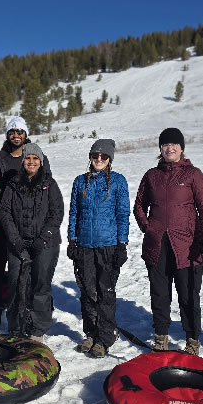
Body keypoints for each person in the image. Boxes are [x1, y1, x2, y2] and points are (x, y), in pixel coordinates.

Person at [133, 128, 203, 354]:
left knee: (188, 295)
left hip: (187, 246)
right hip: (157, 245)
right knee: (159, 294)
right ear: (160, 149)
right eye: (165, 145)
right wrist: (148, 228)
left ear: (181, 148)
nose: (170, 148)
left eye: (174, 145)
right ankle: (161, 337)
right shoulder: (152, 175)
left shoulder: (193, 174)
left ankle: (192, 340)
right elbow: (139, 206)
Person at [66, 139, 131, 358]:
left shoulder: (118, 181)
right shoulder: (80, 181)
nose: (99, 159)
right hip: (84, 245)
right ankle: (91, 334)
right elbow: (74, 213)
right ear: (90, 157)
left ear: (110, 159)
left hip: (108, 245)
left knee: (105, 293)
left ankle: (104, 338)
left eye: (104, 156)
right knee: (87, 292)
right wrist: (72, 240)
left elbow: (123, 214)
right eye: (95, 155)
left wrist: (122, 243)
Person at [0, 116, 51, 328]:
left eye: (20, 131)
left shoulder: (36, 158)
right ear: (7, 134)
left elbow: (46, 191)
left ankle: (27, 314)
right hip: (0, 224)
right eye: (12, 131)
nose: (16, 135)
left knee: (28, 270)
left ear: (25, 134)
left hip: (27, 227)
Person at [0, 142, 63, 339]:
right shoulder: (13, 184)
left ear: (41, 161)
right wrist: (16, 241)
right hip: (18, 243)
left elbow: (56, 213)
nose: (31, 161)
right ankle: (16, 327)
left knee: (40, 286)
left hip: (45, 244)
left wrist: (43, 239)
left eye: (35, 158)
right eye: (28, 158)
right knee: (16, 283)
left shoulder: (49, 184)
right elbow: (5, 213)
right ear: (23, 161)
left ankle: (37, 329)